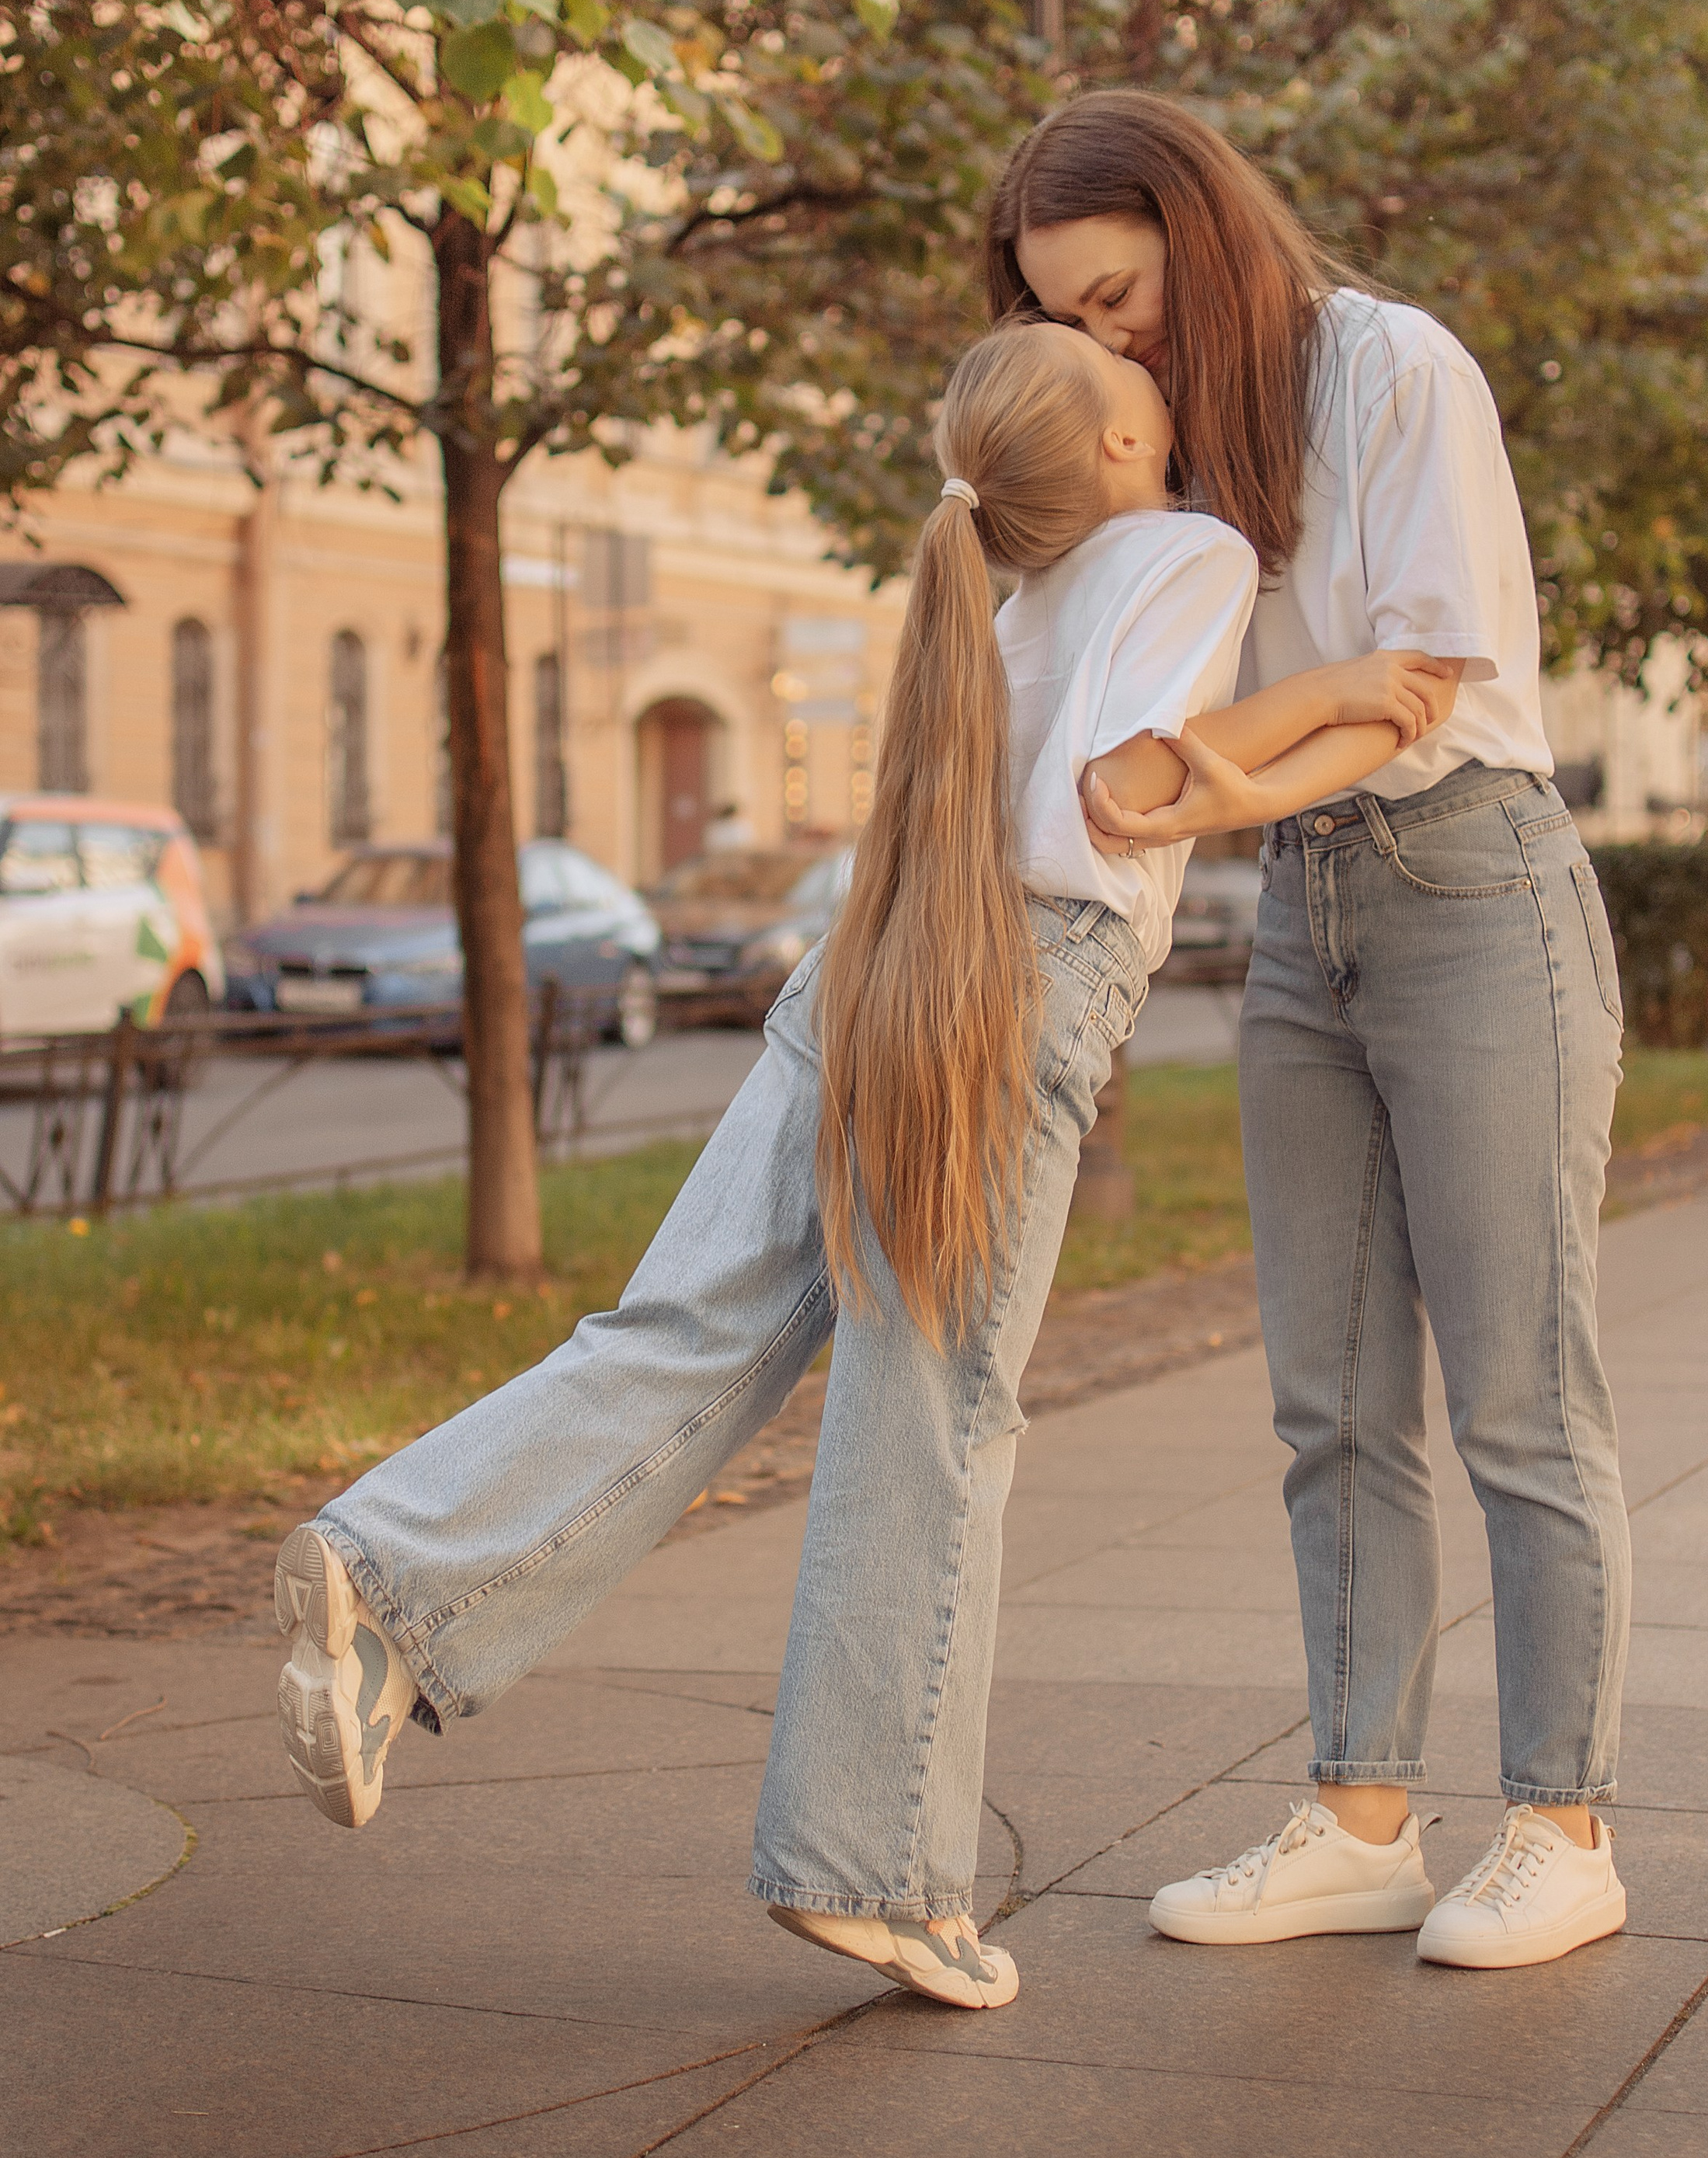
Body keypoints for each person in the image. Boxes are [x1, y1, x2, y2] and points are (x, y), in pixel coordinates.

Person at [273, 315, 1428, 2012]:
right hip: (1012, 983)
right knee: (931, 1418)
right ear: (1117, 453)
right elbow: (1117, 793)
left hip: (872, 964)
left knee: (678, 1332)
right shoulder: (1185, 550)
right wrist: (1324, 695)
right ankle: (871, 1867)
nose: (1149, 372)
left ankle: (390, 1569)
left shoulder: (997, 581)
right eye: (1125, 375)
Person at [989, 90, 1633, 1973]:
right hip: (1303, 911)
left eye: (1118, 297)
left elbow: (1411, 689)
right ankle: (1359, 1814)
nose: (1110, 344)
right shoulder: (1160, 448)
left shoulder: (1388, 372)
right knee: (1329, 1400)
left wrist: (1195, 794)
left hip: (1466, 883)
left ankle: (1559, 1826)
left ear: (1200, 229)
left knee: (1519, 1388)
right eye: (1071, 324)